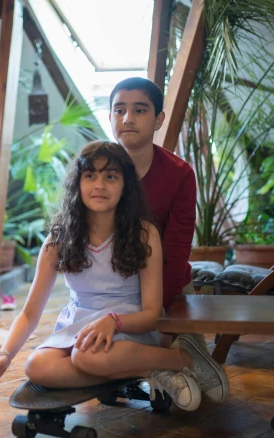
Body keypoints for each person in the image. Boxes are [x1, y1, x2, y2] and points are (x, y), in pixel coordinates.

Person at [0, 141, 225, 411]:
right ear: (78, 183)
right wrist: (5, 354)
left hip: (130, 326)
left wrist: (114, 322)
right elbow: (29, 313)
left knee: (88, 358)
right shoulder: (58, 239)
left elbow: (153, 312)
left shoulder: (144, 234)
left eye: (110, 176)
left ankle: (183, 358)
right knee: (37, 366)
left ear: (125, 186)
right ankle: (147, 368)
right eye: (90, 175)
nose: (99, 184)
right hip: (78, 326)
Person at [109, 77, 229, 402]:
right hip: (114, 285)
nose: (127, 119)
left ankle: (182, 349)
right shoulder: (97, 170)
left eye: (139, 110)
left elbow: (177, 249)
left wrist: (164, 311)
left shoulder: (179, 173)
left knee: (215, 393)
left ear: (158, 119)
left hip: (166, 281)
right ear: (109, 117)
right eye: (119, 110)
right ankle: (161, 366)